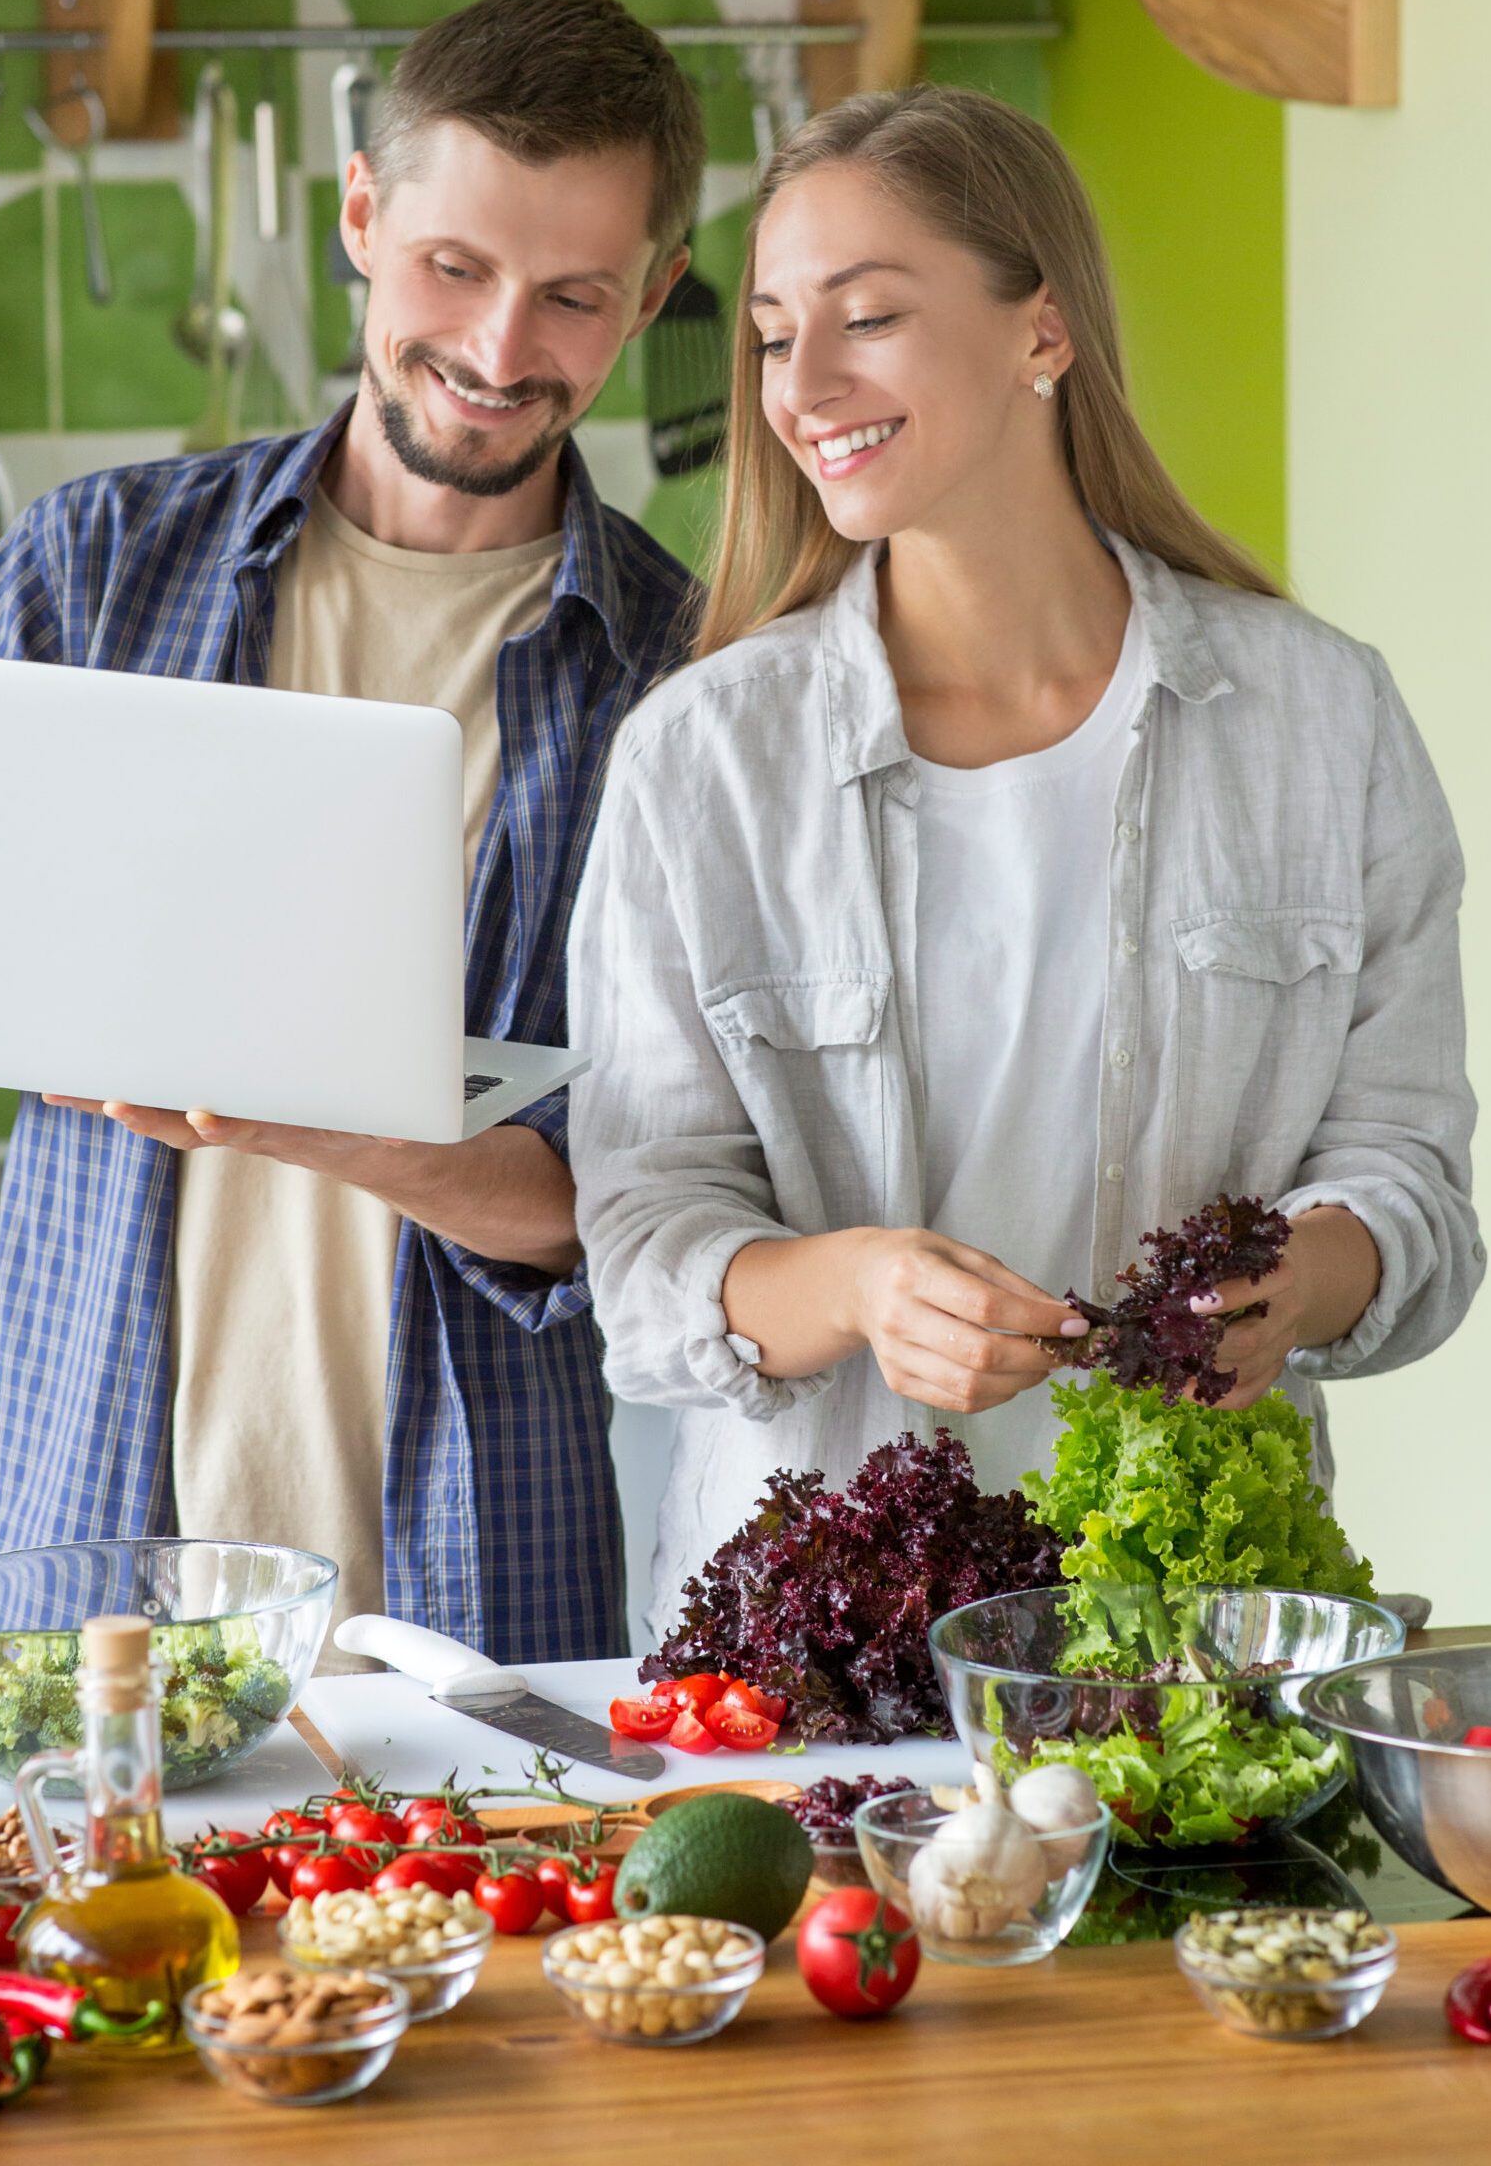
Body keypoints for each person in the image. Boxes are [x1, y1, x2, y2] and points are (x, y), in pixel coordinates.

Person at [0, 0, 705, 1663]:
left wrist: (303, 1117)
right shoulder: (95, 567)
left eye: (575, 296)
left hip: (468, 1576)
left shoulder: (684, 684)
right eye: (455, 267)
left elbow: (632, 1210)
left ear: (652, 291)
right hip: (76, 1554)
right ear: (363, 217)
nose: (501, 350)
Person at [567, 83, 1480, 1637]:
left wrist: (1296, 1290)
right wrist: (857, 1289)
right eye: (779, 336)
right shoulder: (702, 757)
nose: (808, 385)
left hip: (1200, 1637)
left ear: (1040, 332)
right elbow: (649, 1255)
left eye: (869, 318)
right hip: (809, 1659)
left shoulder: (1320, 717)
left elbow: (1415, 1182)